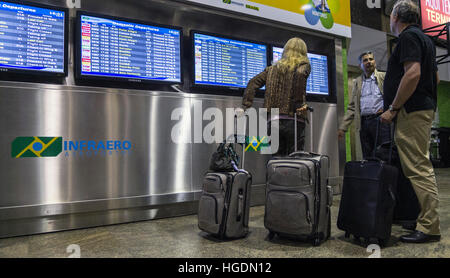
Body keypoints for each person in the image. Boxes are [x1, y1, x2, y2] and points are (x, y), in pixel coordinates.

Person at [381, 0, 441, 243]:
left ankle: (429, 226)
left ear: (396, 17)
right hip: (421, 108)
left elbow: (413, 73)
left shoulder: (407, 38)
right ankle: (424, 220)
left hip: (411, 111)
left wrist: (394, 107)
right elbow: (434, 78)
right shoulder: (426, 39)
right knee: (418, 166)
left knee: (418, 168)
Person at [238, 37, 310, 156]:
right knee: (296, 160)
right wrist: (299, 105)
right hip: (294, 120)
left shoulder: (271, 69)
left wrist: (246, 105)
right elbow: (300, 75)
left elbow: (252, 83)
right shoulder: (304, 66)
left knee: (276, 159)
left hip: (274, 121)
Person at [338, 51, 390, 159]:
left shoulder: (383, 77)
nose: (369, 62)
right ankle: (370, 176)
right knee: (367, 155)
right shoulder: (357, 82)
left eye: (371, 59)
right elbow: (352, 107)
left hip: (380, 122)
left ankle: (385, 176)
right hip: (364, 123)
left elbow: (391, 97)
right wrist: (343, 127)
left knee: (383, 154)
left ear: (375, 62)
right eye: (365, 60)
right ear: (360, 65)